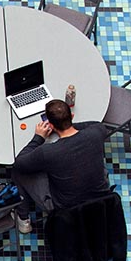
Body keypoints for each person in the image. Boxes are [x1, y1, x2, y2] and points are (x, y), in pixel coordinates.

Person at [11, 99, 113, 233]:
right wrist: (67, 124)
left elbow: (20, 162)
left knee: (18, 172)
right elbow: (96, 124)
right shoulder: (96, 133)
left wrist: (39, 137)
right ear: (72, 116)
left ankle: (23, 220)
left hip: (65, 208)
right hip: (100, 197)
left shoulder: (47, 152)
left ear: (51, 126)